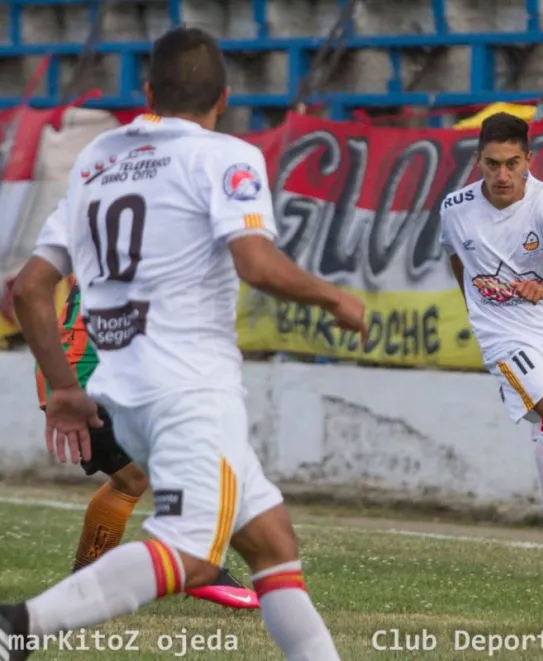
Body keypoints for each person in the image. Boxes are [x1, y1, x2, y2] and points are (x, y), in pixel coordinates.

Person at [3, 26, 367, 661]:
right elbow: (256, 263)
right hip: (191, 390)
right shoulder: (225, 156)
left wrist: (63, 388)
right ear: (224, 98)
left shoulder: (98, 159)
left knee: (274, 549)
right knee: (193, 555)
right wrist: (333, 297)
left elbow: (31, 288)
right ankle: (16, 627)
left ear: (148, 93)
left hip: (124, 394)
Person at [35, 274, 259, 610]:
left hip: (84, 372)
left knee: (133, 478)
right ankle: (196, 566)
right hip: (87, 380)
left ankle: (85, 584)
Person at [438, 112, 543, 584]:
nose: (502, 174)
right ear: (477, 161)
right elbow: (458, 259)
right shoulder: (455, 208)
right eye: (492, 164)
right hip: (504, 332)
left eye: (512, 163)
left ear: (529, 160)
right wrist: (478, 311)